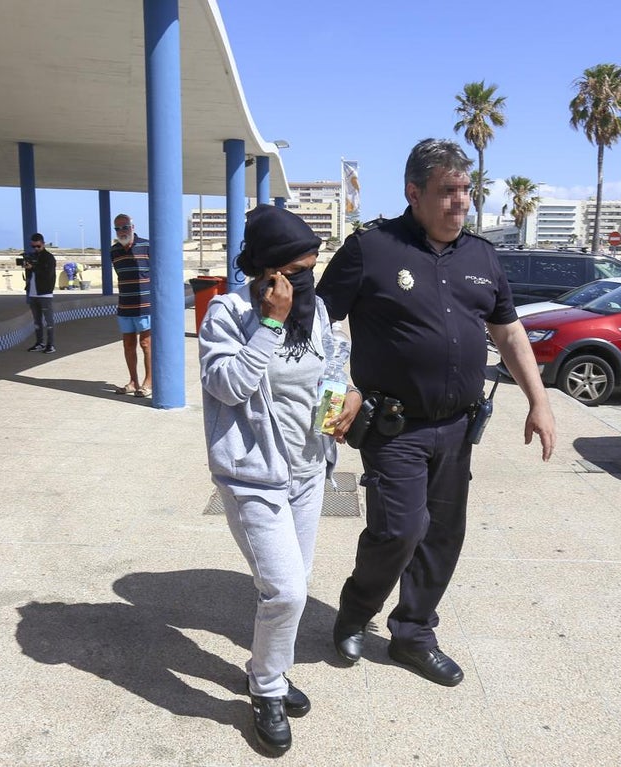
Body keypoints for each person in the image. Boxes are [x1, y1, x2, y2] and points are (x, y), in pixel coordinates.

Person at [315, 138, 556, 687]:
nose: (460, 202)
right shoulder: (370, 249)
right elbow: (314, 329)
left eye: (466, 190)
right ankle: (355, 611)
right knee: (399, 530)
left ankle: (414, 634)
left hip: (457, 429)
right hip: (393, 426)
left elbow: (509, 331)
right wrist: (328, 417)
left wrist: (539, 401)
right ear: (414, 192)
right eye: (448, 191)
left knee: (444, 534)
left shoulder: (482, 256)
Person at [198, 204, 346, 756]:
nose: (305, 282)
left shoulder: (319, 307)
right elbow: (228, 386)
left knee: (293, 590)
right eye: (296, 272)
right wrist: (270, 323)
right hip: (253, 476)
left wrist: (341, 411)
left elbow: (329, 368)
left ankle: (270, 671)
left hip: (309, 471)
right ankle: (265, 691)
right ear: (266, 273)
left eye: (312, 268)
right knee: (284, 589)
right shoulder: (228, 314)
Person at [110, 214, 152, 397]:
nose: (122, 231)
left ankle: (148, 382)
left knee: (145, 343)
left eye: (125, 227)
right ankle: (133, 382)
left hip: (145, 305)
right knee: (128, 344)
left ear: (133, 227)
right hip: (124, 305)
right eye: (118, 228)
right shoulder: (114, 251)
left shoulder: (147, 246)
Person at [23, 233, 57, 353]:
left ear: (43, 243)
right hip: (33, 293)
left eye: (38, 246)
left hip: (45, 293)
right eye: (33, 246)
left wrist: (33, 267)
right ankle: (39, 343)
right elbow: (31, 273)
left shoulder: (48, 258)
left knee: (48, 321)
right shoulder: (32, 257)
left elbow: (48, 274)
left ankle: (50, 345)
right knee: (37, 321)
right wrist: (27, 267)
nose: (36, 249)